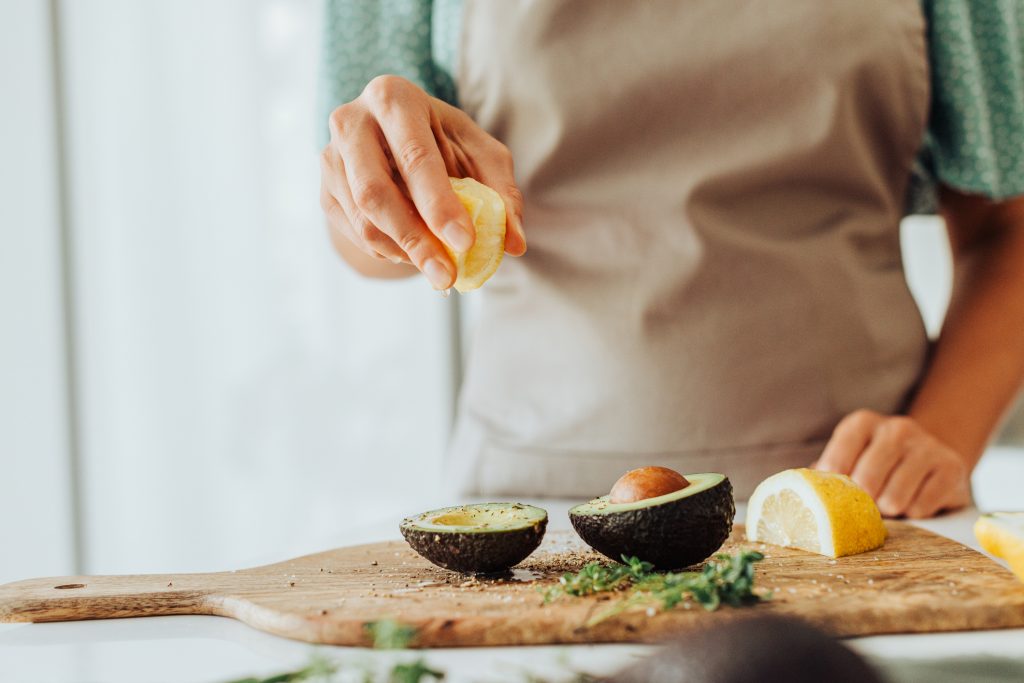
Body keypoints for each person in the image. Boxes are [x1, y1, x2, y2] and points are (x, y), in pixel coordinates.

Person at [318, 1, 1024, 517]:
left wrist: (939, 439)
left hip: (850, 510)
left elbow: (1009, 229)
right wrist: (379, 194)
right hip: (530, 518)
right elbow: (368, 241)